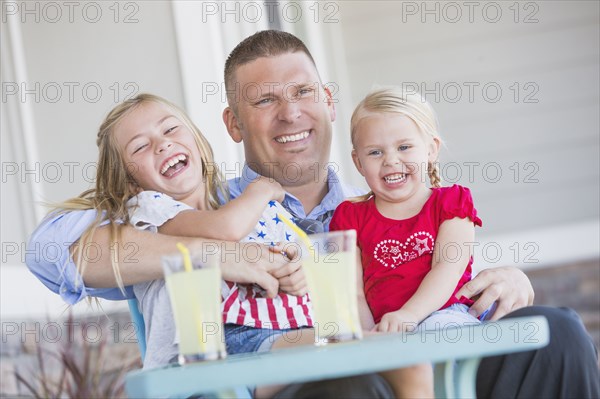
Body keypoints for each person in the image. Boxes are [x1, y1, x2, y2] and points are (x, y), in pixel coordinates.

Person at [27, 30, 599, 398]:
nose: (290, 113)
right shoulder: (204, 206)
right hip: (292, 376)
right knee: (347, 375)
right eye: (265, 100)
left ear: (328, 101)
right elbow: (49, 251)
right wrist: (217, 251)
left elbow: (433, 273)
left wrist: (505, 281)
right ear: (232, 124)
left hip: (408, 345)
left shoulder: (383, 199)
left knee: (558, 333)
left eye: (302, 93)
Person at [330, 87, 486, 397]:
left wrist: (409, 316)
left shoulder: (451, 203)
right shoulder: (350, 216)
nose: (390, 161)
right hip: (384, 330)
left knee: (439, 336)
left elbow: (447, 269)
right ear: (358, 162)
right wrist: (370, 336)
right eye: (375, 152)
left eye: (404, 147)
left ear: (431, 149)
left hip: (444, 315)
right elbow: (353, 293)